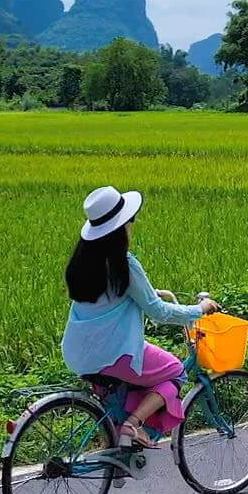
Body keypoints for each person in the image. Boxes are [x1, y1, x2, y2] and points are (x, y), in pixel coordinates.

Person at [62, 185, 219, 448]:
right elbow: (159, 311)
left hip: (77, 353)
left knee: (125, 385)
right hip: (112, 353)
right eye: (129, 221)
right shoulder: (124, 264)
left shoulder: (83, 263)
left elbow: (110, 297)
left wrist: (145, 292)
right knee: (175, 371)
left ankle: (114, 445)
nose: (131, 226)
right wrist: (199, 310)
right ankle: (132, 425)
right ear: (119, 228)